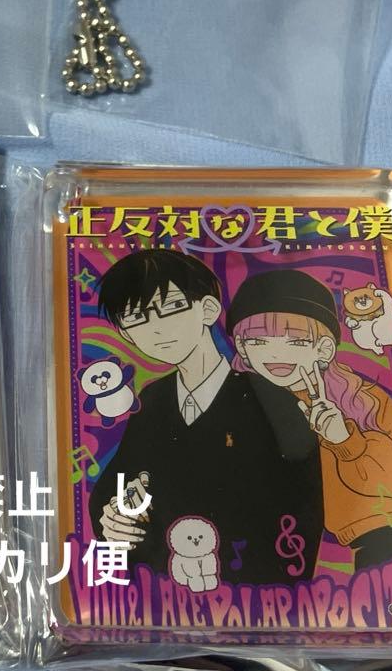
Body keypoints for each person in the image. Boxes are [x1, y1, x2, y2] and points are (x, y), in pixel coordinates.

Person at [87, 249, 323, 587]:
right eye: (136, 319)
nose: (156, 329)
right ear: (126, 334)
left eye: (171, 308)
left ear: (208, 309)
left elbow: (302, 508)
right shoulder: (153, 399)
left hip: (253, 589)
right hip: (164, 591)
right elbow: (116, 482)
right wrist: (113, 519)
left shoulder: (272, 399)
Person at [227, 269, 392, 571]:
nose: (276, 353)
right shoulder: (238, 403)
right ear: (242, 348)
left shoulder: (364, 401)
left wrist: (346, 441)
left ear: (324, 348)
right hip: (268, 545)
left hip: (383, 543)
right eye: (259, 341)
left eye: (296, 341)